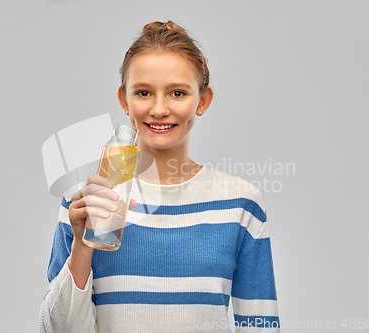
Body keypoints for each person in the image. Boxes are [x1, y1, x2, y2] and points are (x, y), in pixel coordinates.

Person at [39, 21, 280, 333]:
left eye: (177, 93)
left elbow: (261, 326)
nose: (159, 109)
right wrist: (84, 246)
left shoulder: (239, 203)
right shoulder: (86, 201)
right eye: (143, 92)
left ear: (202, 101)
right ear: (124, 100)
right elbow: (55, 330)